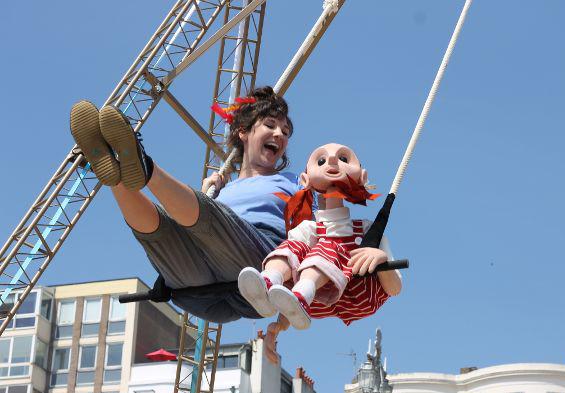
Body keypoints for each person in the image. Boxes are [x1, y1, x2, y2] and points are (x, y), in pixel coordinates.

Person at [69, 86, 301, 323]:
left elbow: (319, 229)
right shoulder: (221, 190)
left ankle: (146, 167)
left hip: (257, 266)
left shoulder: (294, 181)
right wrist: (207, 194)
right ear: (243, 131)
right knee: (164, 229)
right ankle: (112, 174)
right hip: (198, 289)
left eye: (285, 131)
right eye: (270, 125)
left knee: (210, 217)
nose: (280, 135)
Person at [237, 143, 403, 335]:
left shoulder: (366, 230)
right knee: (293, 246)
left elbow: (394, 288)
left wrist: (380, 257)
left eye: (343, 158)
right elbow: (293, 261)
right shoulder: (310, 228)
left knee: (329, 246)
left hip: (358, 293)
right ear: (305, 179)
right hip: (315, 301)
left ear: (362, 177)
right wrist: (280, 326)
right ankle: (268, 281)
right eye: (321, 160)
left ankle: (302, 294)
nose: (332, 161)